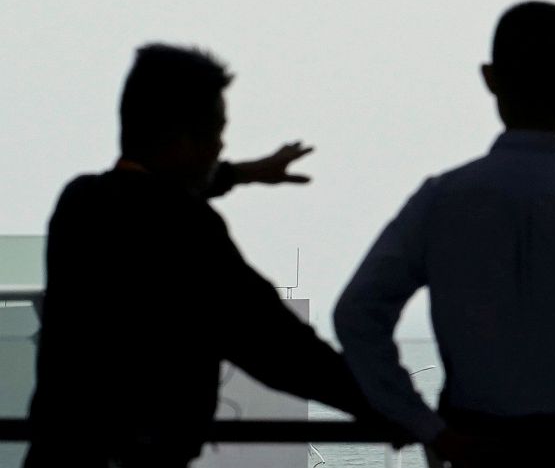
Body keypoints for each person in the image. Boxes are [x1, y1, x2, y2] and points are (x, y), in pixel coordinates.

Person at [336, 1, 555, 467]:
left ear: (490, 78)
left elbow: (357, 314)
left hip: (476, 446)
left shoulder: (441, 201)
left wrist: (426, 425)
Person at [25, 43, 400, 468]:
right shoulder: (188, 229)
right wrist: (384, 402)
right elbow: (277, 345)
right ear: (182, 138)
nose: (220, 145)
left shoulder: (80, 203)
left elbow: (144, 201)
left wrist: (241, 174)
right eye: (216, 131)